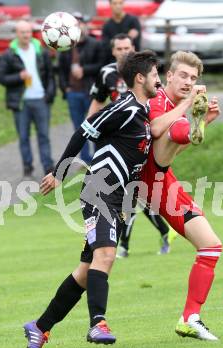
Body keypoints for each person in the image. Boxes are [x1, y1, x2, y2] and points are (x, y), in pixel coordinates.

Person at [23, 50, 160, 348]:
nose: (158, 79)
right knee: (106, 256)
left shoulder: (145, 112)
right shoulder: (124, 107)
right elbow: (83, 131)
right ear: (140, 78)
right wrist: (59, 173)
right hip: (99, 190)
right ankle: (97, 323)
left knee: (87, 270)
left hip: (119, 198)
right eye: (154, 74)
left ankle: (39, 327)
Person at [140, 51, 223, 341]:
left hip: (163, 179)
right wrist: (190, 110)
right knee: (98, 260)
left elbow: (171, 149)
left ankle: (190, 318)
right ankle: (190, 317)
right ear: (169, 76)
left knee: (211, 246)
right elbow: (157, 128)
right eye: (183, 76)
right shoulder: (157, 102)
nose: (188, 82)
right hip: (151, 183)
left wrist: (203, 124)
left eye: (194, 78)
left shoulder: (172, 105)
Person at [89, 33, 175, 257]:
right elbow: (96, 104)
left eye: (127, 47)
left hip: (142, 139)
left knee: (134, 194)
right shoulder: (107, 73)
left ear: (133, 48)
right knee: (134, 195)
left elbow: (160, 96)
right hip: (119, 142)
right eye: (119, 49)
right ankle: (157, 234)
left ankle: (125, 245)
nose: (124, 52)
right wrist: (93, 133)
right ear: (113, 51)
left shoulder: (144, 73)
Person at [0, 20, 56, 177]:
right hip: (21, 103)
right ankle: (27, 166)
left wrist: (49, 94)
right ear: (17, 34)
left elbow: (50, 75)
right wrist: (19, 76)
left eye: (28, 32)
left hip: (41, 99)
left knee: (44, 135)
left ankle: (48, 166)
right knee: (24, 137)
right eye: (22, 32)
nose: (26, 35)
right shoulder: (9, 54)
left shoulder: (40, 51)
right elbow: (1, 77)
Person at [58, 12, 103, 164]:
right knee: (79, 129)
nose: (78, 27)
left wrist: (85, 70)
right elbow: (61, 70)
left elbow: (101, 66)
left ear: (85, 25)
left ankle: (98, 158)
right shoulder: (65, 46)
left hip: (90, 92)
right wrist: (65, 88)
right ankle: (85, 159)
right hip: (73, 93)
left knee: (95, 125)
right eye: (74, 25)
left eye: (80, 24)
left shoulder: (95, 44)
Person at [101, 0, 142, 64]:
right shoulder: (107, 25)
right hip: (113, 61)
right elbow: (106, 46)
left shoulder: (133, 21)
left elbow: (136, 44)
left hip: (132, 61)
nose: (118, 6)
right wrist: (128, 37)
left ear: (124, 4)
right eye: (115, 3)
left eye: (120, 3)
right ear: (110, 4)